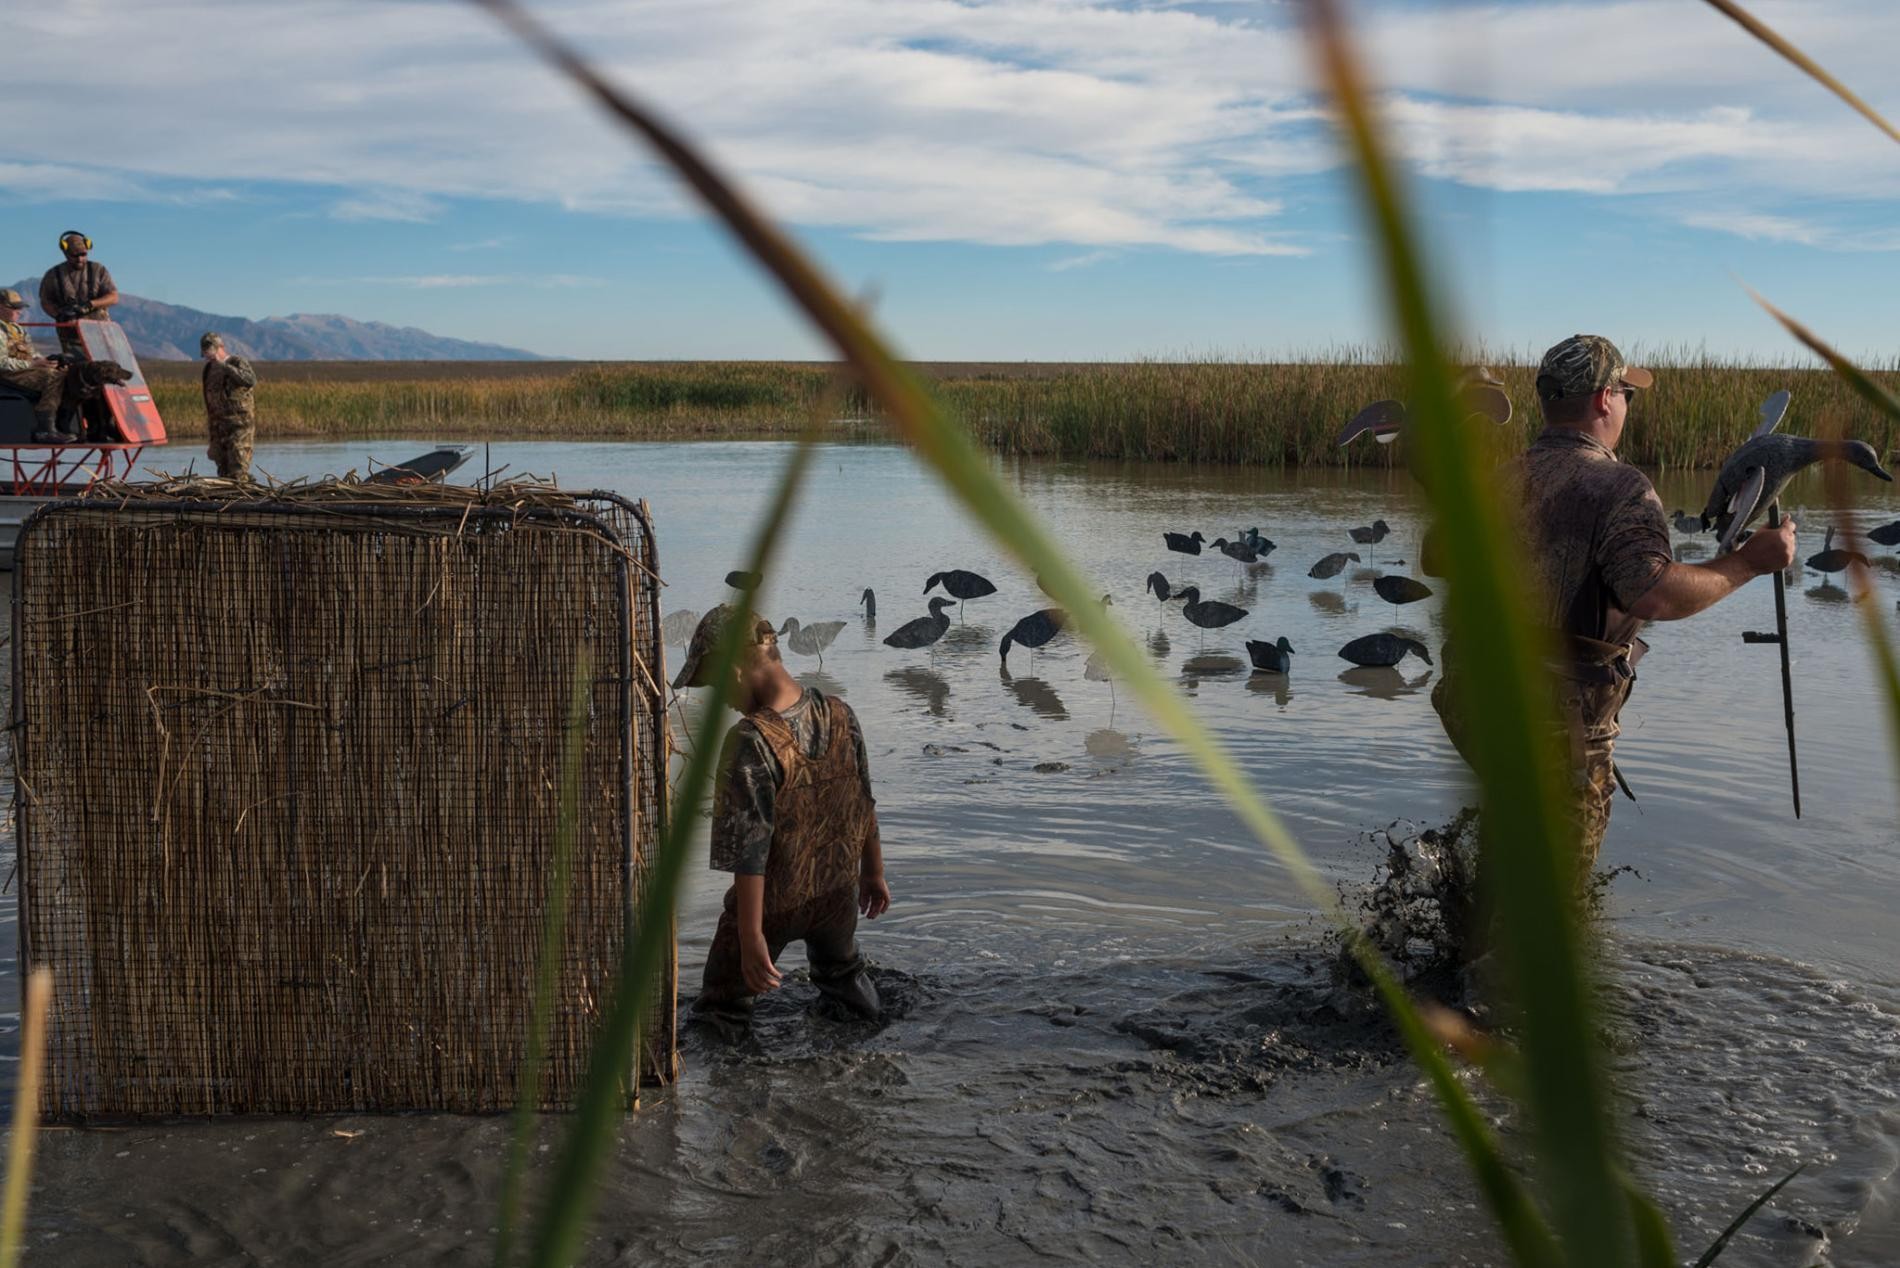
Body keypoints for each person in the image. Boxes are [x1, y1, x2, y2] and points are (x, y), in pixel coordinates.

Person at [1428, 334, 1797, 874]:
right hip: (1555, 725)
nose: (1627, 403)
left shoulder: (1500, 478)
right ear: (1604, 399)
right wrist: (1748, 563)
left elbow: (1436, 555)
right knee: (1559, 899)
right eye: (1626, 392)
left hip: (1473, 702)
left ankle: (1456, 940)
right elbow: (1653, 593)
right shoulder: (1619, 485)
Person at [675, 604, 890, 1037]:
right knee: (844, 980)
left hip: (773, 906)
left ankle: (729, 1097)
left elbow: (749, 853)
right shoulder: (841, 713)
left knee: (720, 1010)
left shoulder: (750, 741)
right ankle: (872, 1037)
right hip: (835, 897)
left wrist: (751, 936)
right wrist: (873, 873)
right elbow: (863, 803)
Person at [0, 288, 75, 443]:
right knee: (51, 377)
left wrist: (46, 361)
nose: (19, 312)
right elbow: (2, 362)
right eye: (14, 307)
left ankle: (65, 425)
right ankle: (44, 430)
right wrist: (33, 364)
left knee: (65, 373)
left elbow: (31, 353)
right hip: (6, 375)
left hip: (22, 370)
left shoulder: (16, 329)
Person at [39, 231, 119, 357]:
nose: (80, 259)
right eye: (75, 255)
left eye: (83, 254)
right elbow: (45, 301)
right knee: (76, 368)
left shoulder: (98, 270)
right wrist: (59, 315)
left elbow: (113, 297)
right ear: (65, 253)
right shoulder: (53, 275)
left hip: (99, 331)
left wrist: (90, 305)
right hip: (70, 335)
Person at [199, 332, 258, 479]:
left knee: (238, 468)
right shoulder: (208, 370)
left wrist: (224, 366)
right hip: (219, 427)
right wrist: (212, 436)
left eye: (210, 350)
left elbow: (250, 380)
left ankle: (244, 496)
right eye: (205, 352)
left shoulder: (236, 362)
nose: (208, 355)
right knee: (223, 472)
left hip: (240, 426)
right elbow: (209, 400)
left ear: (220, 347)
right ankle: (228, 499)